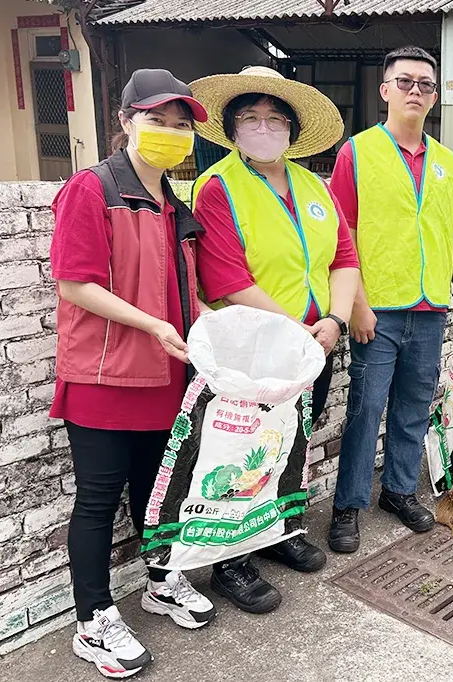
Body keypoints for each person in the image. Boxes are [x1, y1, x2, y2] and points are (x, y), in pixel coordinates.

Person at [49, 69, 216, 678]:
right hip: (103, 375)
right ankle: (91, 621)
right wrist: (150, 325)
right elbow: (75, 282)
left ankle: (161, 582)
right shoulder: (91, 190)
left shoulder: (175, 203)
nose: (170, 134)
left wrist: (214, 335)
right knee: (97, 501)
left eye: (180, 126)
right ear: (124, 122)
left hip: (166, 373)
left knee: (157, 492)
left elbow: (184, 289)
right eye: (156, 121)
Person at [189, 66, 361, 613]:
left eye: (274, 119)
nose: (263, 127)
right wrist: (299, 331)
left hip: (313, 344)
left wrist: (334, 319)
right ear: (232, 128)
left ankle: (280, 531)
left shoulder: (315, 185)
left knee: (293, 441)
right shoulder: (217, 187)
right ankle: (232, 562)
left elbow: (343, 258)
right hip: (254, 350)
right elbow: (225, 277)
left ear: (291, 129)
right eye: (250, 118)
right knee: (243, 452)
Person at [325, 46, 453, 554]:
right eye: (406, 82)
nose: (416, 91)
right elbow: (341, 232)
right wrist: (357, 304)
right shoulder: (358, 151)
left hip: (430, 308)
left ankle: (397, 490)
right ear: (385, 90)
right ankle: (347, 505)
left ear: (434, 96)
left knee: (415, 408)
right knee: (366, 409)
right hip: (378, 310)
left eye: (426, 85)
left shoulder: (445, 160)